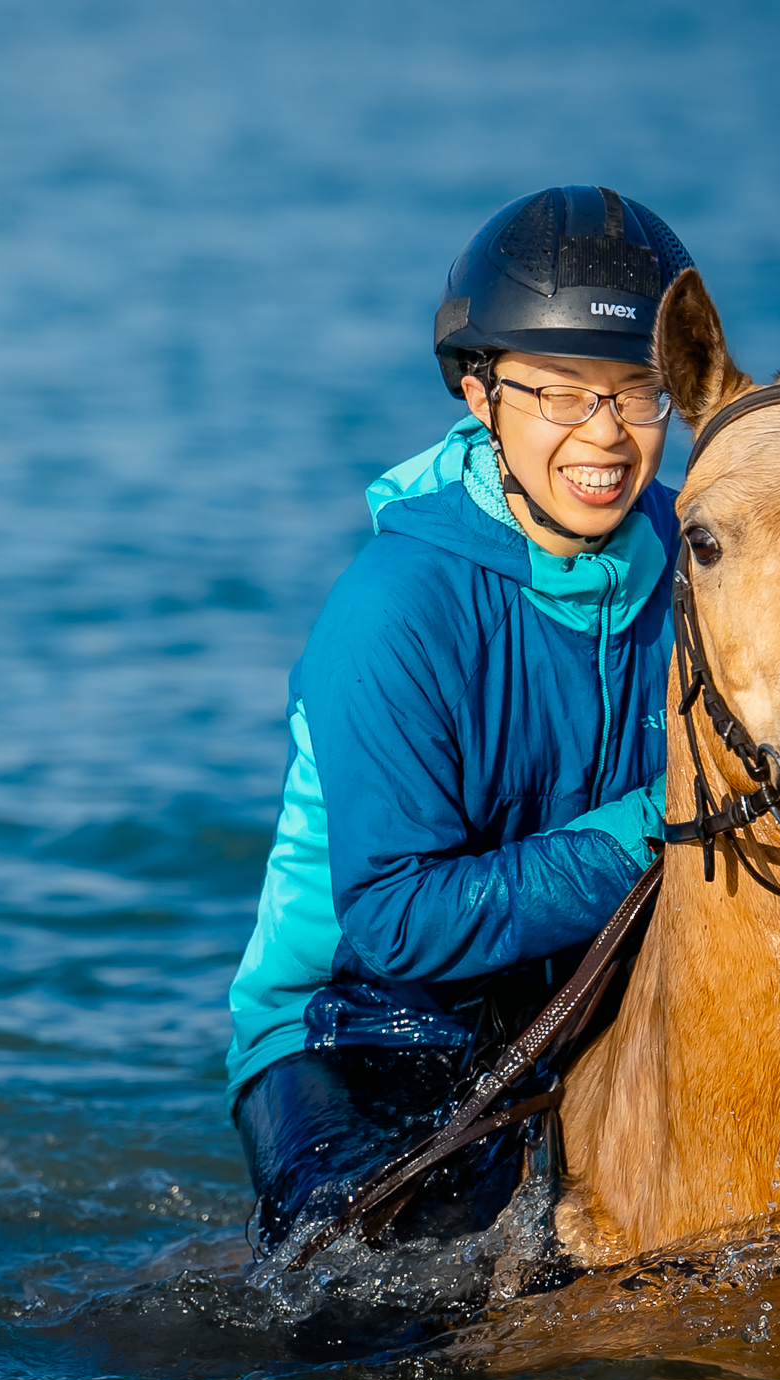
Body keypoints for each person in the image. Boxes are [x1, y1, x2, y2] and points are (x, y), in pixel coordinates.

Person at [226, 187, 694, 1255]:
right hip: (363, 1022)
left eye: (639, 391)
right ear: (480, 393)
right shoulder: (393, 607)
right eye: (562, 392)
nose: (607, 434)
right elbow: (397, 923)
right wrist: (664, 824)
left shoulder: (702, 559)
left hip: (593, 987)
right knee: (375, 1300)